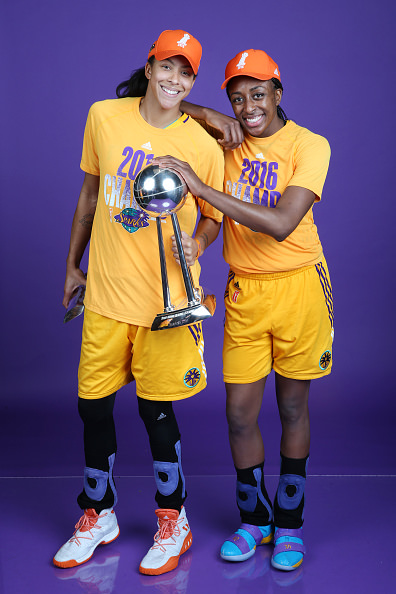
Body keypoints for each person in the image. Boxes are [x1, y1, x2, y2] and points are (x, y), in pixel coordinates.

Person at [154, 48, 334, 572]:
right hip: (245, 291)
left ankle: (291, 524)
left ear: (278, 92)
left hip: (301, 287)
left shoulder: (309, 144)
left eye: (258, 93)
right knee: (238, 415)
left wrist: (203, 187)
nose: (249, 106)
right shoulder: (227, 140)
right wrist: (211, 115)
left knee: (293, 409)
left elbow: (280, 223)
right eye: (238, 97)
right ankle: (255, 519)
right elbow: (170, 104)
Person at [53, 29, 225, 576]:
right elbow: (88, 193)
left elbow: (214, 217)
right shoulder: (104, 115)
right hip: (105, 295)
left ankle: (173, 521)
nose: (175, 79)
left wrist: (190, 250)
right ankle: (98, 514)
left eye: (186, 72)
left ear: (192, 81)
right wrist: (72, 264)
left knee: (156, 410)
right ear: (149, 67)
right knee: (93, 406)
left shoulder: (201, 143)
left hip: (164, 302)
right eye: (167, 67)